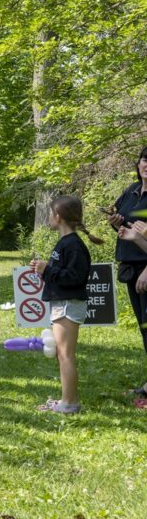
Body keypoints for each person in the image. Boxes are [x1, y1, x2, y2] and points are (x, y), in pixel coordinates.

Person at [29, 195, 104, 414]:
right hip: (62, 304)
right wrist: (43, 270)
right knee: (61, 354)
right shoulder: (65, 243)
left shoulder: (73, 245)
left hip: (69, 305)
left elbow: (74, 277)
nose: (49, 217)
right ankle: (67, 399)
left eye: (50, 213)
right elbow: (61, 274)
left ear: (58, 216)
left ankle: (69, 404)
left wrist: (47, 269)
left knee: (65, 355)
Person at [107, 146, 147, 396]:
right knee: (144, 328)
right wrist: (116, 223)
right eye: (144, 160)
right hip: (131, 268)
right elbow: (124, 224)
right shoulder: (131, 191)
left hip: (146, 269)